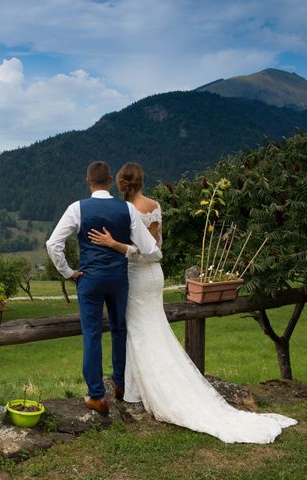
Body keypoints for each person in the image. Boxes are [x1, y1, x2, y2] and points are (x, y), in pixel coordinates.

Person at [87, 161, 297, 443]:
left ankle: (139, 389)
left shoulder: (129, 212)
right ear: (142, 181)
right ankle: (141, 385)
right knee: (154, 327)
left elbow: (146, 252)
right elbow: (159, 246)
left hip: (137, 274)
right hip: (155, 277)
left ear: (120, 184)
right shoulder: (154, 205)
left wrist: (115, 245)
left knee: (138, 330)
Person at [46, 161, 161, 416]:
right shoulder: (127, 209)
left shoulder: (77, 208)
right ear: (110, 180)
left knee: (92, 334)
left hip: (90, 279)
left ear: (88, 181)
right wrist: (125, 249)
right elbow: (150, 249)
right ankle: (120, 383)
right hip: (119, 278)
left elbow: (53, 243)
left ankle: (97, 395)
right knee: (120, 328)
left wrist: (68, 272)